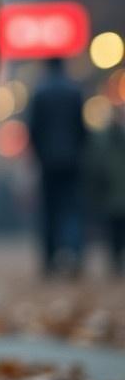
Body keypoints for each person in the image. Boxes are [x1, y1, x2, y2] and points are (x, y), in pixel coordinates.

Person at [27, 57, 87, 276]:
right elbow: (82, 129)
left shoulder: (40, 93)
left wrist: (39, 154)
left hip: (48, 161)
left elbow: (33, 129)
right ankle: (73, 253)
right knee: (71, 209)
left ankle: (49, 260)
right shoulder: (74, 91)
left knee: (49, 211)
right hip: (71, 161)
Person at [85, 106, 125, 275]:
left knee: (116, 228)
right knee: (116, 228)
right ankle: (116, 260)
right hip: (113, 191)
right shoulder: (104, 140)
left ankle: (116, 260)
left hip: (113, 191)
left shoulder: (103, 139)